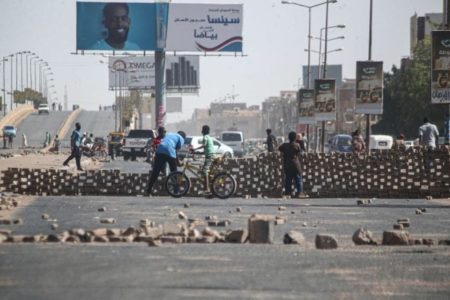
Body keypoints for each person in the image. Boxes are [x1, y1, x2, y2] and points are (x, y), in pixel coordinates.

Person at [146, 128, 185, 195]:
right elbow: (176, 150)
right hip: (170, 152)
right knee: (174, 172)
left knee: (155, 172)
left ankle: (148, 190)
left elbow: (160, 139)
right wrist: (178, 162)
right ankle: (176, 191)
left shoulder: (169, 134)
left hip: (160, 150)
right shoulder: (181, 138)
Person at [279, 131, 306, 198]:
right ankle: (300, 193)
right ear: (295, 138)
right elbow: (301, 151)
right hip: (296, 165)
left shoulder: (285, 145)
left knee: (288, 180)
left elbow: (279, 149)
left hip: (288, 165)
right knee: (298, 180)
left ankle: (288, 193)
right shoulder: (297, 145)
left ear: (288, 138)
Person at [191, 125, 215, 195]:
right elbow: (207, 148)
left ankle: (206, 189)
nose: (201, 131)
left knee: (205, 171)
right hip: (210, 155)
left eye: (202, 130)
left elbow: (204, 145)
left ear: (204, 131)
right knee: (203, 171)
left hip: (209, 156)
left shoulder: (205, 137)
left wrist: (195, 149)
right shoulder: (209, 137)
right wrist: (197, 152)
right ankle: (207, 187)